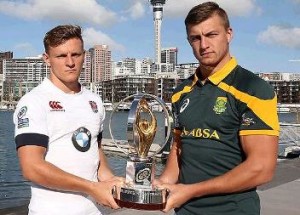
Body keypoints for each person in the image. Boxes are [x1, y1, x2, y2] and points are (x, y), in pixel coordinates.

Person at [154, 2, 279, 215]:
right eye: (196, 38)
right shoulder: (180, 92)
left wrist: (191, 191)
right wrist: (162, 184)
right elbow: (180, 147)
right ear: (189, 41)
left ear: (228, 34)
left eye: (211, 34)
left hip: (233, 210)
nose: (204, 45)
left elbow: (261, 169)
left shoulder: (253, 89)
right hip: (185, 210)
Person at [13, 25, 123, 215]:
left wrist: (111, 182)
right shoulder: (34, 101)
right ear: (47, 59)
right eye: (61, 56)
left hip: (93, 211)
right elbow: (31, 168)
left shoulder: (94, 101)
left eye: (76, 54)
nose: (70, 62)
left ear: (84, 56)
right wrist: (91, 187)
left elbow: (95, 153)